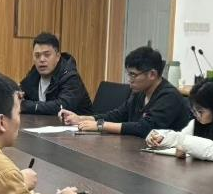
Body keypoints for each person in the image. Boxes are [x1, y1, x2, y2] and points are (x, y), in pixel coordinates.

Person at [61, 46, 190, 138]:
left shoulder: (169, 96)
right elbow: (118, 115)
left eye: (133, 75)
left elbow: (145, 128)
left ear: (152, 74)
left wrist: (100, 125)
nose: (129, 80)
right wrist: (82, 118)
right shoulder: (140, 92)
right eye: (129, 74)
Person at [145, 78, 213, 161]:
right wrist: (160, 136)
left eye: (200, 111)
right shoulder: (196, 122)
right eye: (193, 110)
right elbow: (182, 137)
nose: (196, 115)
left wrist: (182, 144)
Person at [18, 32, 93, 116]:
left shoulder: (70, 76)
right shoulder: (35, 73)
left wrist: (25, 105)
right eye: (37, 55)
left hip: (78, 123)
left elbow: (62, 107)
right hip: (45, 122)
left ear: (57, 56)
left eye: (47, 55)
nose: (41, 59)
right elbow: (21, 91)